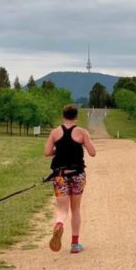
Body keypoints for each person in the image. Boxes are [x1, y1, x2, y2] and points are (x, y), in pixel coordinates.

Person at [45, 104, 96, 254]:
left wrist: (59, 150)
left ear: (63, 116)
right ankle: (75, 244)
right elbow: (92, 153)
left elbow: (47, 152)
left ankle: (59, 223)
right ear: (76, 117)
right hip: (77, 174)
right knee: (76, 209)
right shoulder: (82, 132)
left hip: (60, 176)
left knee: (62, 209)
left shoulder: (55, 132)